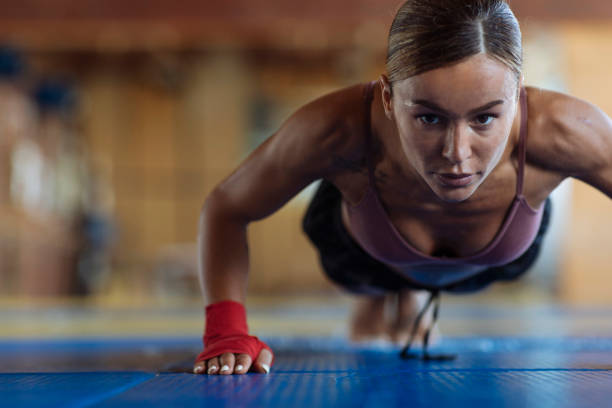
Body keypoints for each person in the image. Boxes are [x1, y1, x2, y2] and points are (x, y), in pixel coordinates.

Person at [193, 0, 612, 375]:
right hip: (363, 257)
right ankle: (389, 291)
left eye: (484, 118)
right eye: (429, 118)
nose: (456, 153)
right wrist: (225, 330)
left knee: (385, 318)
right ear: (389, 98)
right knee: (369, 304)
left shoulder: (565, 131)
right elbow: (227, 207)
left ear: (516, 95)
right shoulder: (337, 130)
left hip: (491, 263)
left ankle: (411, 292)